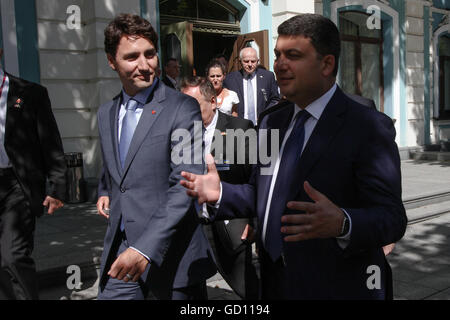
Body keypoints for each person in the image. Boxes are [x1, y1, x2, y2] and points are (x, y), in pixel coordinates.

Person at [180, 14, 407, 299]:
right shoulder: (271, 122)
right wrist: (221, 193)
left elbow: (392, 218)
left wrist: (344, 222)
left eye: (293, 55)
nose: (279, 65)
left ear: (327, 64)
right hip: (275, 282)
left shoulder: (367, 126)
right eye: (277, 55)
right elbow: (262, 192)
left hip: (336, 287)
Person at [96, 14, 216, 300]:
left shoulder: (182, 108)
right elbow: (118, 169)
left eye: (150, 54)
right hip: (122, 252)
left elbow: (184, 185)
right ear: (112, 61)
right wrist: (104, 190)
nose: (144, 65)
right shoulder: (105, 113)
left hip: (173, 257)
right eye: (131, 57)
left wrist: (144, 248)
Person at [181, 76, 259, 299]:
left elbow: (256, 180)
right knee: (191, 288)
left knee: (248, 288)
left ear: (213, 102)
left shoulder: (241, 129)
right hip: (192, 225)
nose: (187, 111)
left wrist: (255, 222)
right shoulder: (180, 133)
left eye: (193, 105)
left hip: (229, 225)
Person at [0, 49, 66, 299]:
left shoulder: (30, 93)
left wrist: (58, 186)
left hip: (17, 184)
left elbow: (49, 141)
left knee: (14, 255)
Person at [223, 47, 279, 124]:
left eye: (253, 61)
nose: (250, 64)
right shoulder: (230, 79)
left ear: (258, 61)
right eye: (246, 61)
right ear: (240, 61)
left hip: (263, 125)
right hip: (238, 126)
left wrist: (265, 115)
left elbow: (274, 99)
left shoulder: (268, 76)